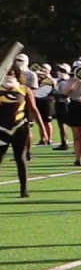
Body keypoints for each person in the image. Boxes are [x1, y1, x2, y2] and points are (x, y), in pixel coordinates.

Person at [0, 63, 46, 197]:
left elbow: (33, 110)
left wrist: (42, 129)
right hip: (1, 129)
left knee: (20, 158)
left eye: (12, 73)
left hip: (19, 128)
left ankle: (24, 189)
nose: (10, 75)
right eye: (7, 72)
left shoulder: (24, 89)